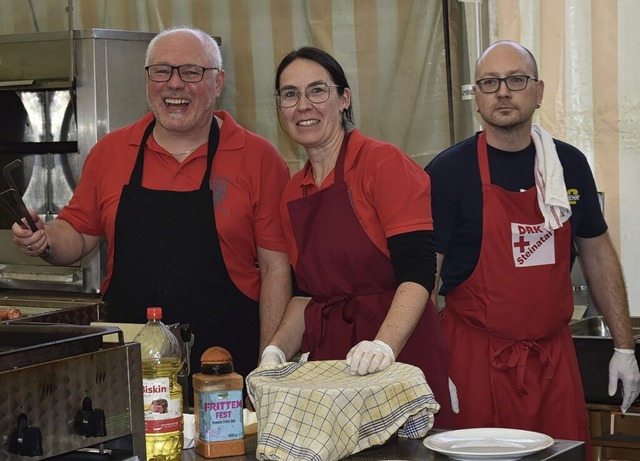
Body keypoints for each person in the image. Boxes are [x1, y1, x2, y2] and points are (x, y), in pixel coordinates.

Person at [11, 27, 292, 397]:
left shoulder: (259, 158)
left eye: (191, 72)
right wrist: (45, 240)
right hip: (130, 366)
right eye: (162, 71)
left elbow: (276, 268)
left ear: (218, 81)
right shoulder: (111, 152)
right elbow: (78, 235)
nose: (174, 84)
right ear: (147, 80)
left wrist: (265, 369)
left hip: (226, 364)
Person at [425, 40, 640, 454]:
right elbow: (424, 278)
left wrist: (624, 346)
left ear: (538, 92)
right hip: (473, 363)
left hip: (552, 366)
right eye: (489, 83)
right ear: (477, 97)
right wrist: (429, 364)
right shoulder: (449, 173)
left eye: (515, 80)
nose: (502, 92)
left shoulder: (567, 165)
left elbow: (597, 254)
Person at [258, 46, 454, 428]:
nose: (303, 105)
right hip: (333, 367)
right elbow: (305, 295)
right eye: (290, 94)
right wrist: (275, 352)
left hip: (401, 352)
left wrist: (384, 347)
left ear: (343, 99)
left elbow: (418, 274)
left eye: (317, 91)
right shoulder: (292, 192)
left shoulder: (383, 164)